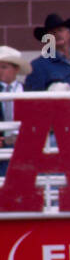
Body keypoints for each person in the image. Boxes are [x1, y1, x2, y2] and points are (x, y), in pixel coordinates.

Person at [27, 12, 70, 94]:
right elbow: (33, 100)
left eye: (60, 30)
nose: (57, 34)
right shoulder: (38, 67)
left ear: (69, 33)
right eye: (52, 32)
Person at [0, 44, 29, 174]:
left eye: (4, 67)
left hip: (23, 142)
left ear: (16, 69)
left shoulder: (27, 90)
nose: (0, 71)